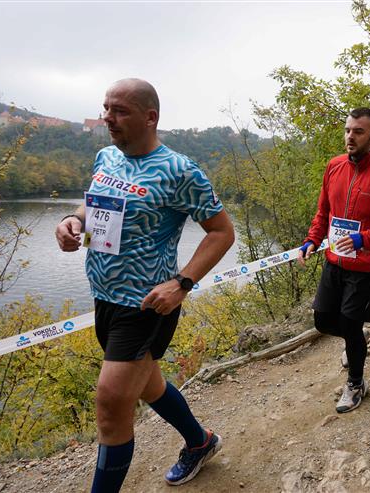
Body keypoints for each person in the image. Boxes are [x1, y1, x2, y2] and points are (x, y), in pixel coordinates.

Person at [55, 78, 235, 491]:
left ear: (150, 117)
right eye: (106, 108)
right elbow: (94, 204)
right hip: (104, 296)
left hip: (146, 305)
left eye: (120, 111)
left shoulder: (179, 171)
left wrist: (182, 283)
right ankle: (200, 442)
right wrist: (73, 221)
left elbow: (222, 232)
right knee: (150, 385)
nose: (108, 118)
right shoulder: (106, 156)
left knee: (110, 407)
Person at [297, 107, 370, 413]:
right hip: (334, 260)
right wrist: (311, 240)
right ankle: (354, 339)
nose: (350, 136)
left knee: (350, 322)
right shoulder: (334, 166)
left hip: (367, 265)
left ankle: (356, 383)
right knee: (322, 321)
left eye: (358, 131)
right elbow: (324, 212)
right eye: (347, 130)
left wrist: (364, 239)